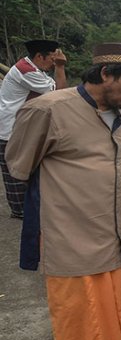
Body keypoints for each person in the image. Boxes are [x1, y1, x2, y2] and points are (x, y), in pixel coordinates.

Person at [6, 42, 121, 340]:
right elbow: (19, 163)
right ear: (105, 75)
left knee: (110, 295)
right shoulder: (48, 110)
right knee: (74, 304)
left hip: (113, 225)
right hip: (68, 227)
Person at [0, 39, 67, 219]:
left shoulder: (34, 69)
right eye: (52, 59)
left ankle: (23, 208)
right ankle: (20, 211)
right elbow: (59, 94)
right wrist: (60, 67)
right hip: (11, 129)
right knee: (14, 171)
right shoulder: (26, 71)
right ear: (39, 56)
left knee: (21, 168)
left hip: (17, 126)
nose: (54, 62)